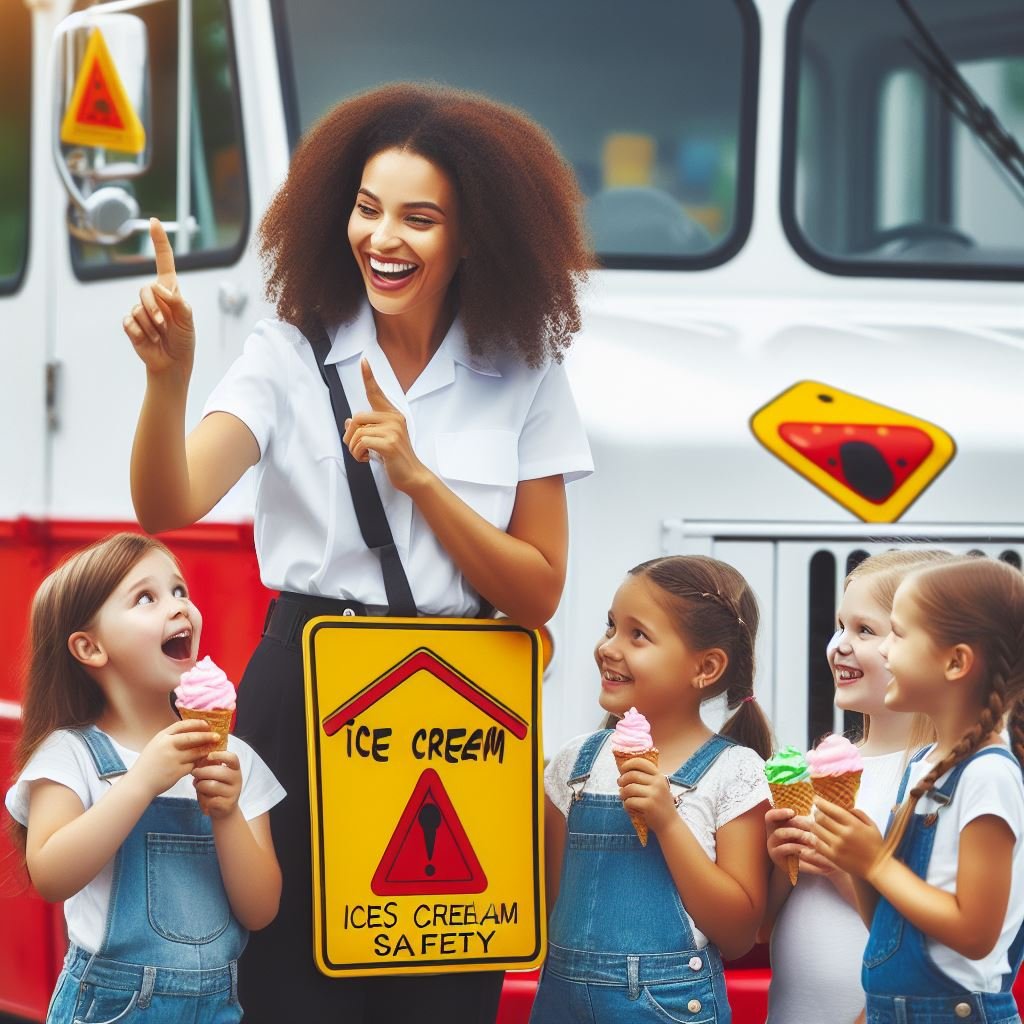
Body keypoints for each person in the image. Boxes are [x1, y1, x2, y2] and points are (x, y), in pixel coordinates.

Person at [122, 83, 593, 1023]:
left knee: (443, 992)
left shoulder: (527, 371)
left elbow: (538, 589)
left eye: (421, 219)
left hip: (459, 703)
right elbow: (170, 500)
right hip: (303, 686)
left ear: (474, 238)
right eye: (368, 209)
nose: (384, 239)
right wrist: (168, 381)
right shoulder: (286, 352)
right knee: (288, 979)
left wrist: (418, 478)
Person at [4, 532, 284, 1024]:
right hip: (111, 1008)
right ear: (90, 648)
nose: (178, 608)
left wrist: (227, 815)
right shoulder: (71, 755)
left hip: (217, 1007)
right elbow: (50, 875)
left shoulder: (235, 758)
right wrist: (139, 782)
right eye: (146, 598)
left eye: (180, 592)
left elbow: (260, 910)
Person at [530, 555, 773, 1024]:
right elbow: (560, 906)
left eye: (637, 634)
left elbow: (739, 931)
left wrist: (667, 820)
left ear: (706, 667)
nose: (608, 647)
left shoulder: (735, 771)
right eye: (610, 627)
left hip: (669, 1009)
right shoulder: (572, 764)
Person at [811, 557, 1024, 1024]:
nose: (885, 652)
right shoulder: (925, 767)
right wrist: (857, 865)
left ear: (956, 662)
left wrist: (875, 861)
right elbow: (891, 928)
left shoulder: (989, 775)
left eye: (899, 636)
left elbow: (975, 932)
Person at [762, 550, 946, 1024]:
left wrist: (850, 873)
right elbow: (762, 930)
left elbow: (943, 941)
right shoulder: (807, 769)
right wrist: (785, 862)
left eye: (865, 630)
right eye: (840, 626)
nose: (839, 645)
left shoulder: (944, 777)